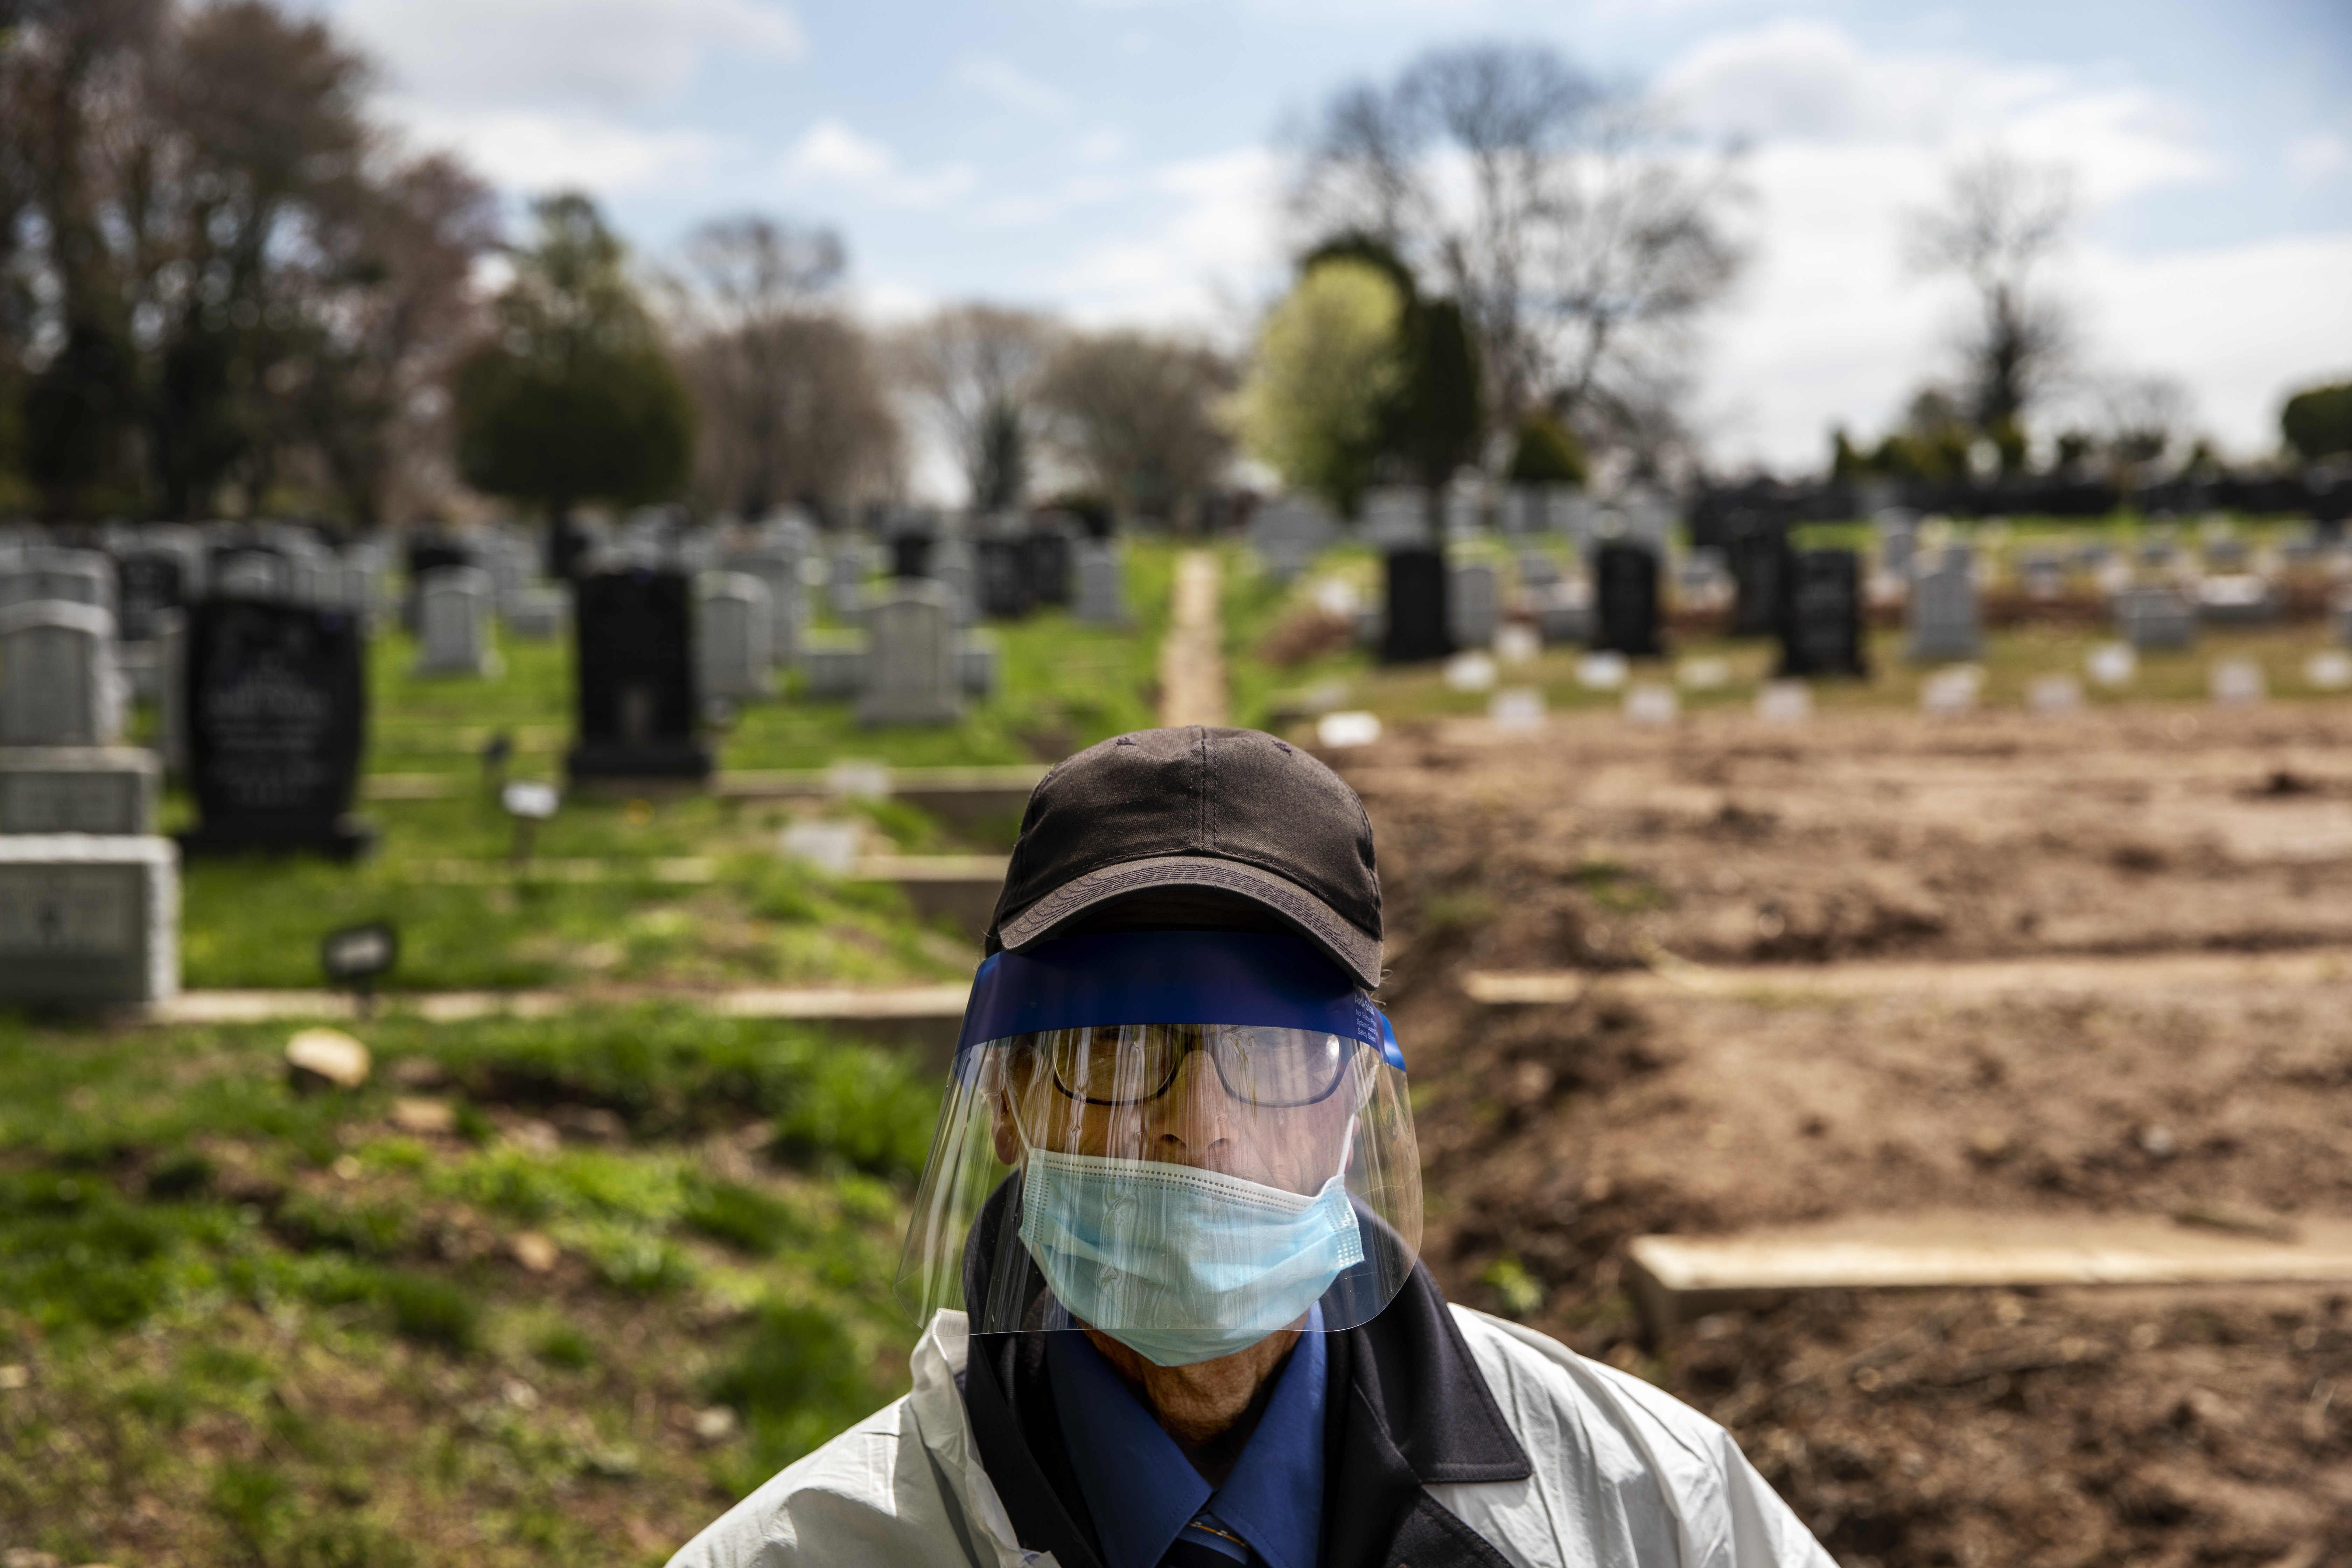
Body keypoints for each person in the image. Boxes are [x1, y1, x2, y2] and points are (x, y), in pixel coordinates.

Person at [671, 726, 1832, 1568]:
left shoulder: (1652, 1511)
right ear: (1008, 1107)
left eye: (1273, 1056)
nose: (1198, 1123)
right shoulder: (804, 1552)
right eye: (1118, 1051)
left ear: (1357, 1102)